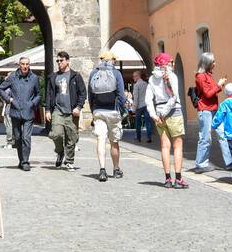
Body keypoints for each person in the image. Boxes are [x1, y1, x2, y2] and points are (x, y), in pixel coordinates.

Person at [145, 53, 188, 189]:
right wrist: (164, 112)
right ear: (165, 64)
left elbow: (148, 99)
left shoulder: (152, 79)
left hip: (159, 112)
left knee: (164, 147)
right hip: (173, 111)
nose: (172, 64)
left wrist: (154, 115)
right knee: (178, 146)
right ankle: (179, 179)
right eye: (170, 62)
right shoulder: (171, 76)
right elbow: (174, 96)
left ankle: (167, 178)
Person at [87, 49, 127, 180]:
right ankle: (116, 169)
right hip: (113, 111)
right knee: (114, 141)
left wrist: (93, 111)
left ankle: (102, 169)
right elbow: (121, 95)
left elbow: (90, 95)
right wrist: (121, 110)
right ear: (111, 60)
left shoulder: (94, 73)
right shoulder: (116, 73)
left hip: (98, 111)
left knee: (101, 139)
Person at [45, 50, 87, 171]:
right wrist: (47, 110)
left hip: (71, 111)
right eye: (57, 61)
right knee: (56, 134)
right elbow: (49, 94)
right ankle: (60, 152)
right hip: (57, 110)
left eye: (61, 60)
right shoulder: (53, 77)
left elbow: (83, 93)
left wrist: (78, 107)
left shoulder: (76, 76)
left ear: (67, 61)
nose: (59, 63)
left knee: (71, 137)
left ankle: (69, 161)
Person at [0, 55, 41, 170]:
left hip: (28, 112)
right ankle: (21, 160)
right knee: (17, 138)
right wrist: (9, 100)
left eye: (27, 64)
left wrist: (32, 103)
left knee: (26, 137)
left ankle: (26, 161)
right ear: (19, 65)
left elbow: (38, 94)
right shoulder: (12, 77)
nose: (25, 66)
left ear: (29, 65)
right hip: (15, 111)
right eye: (23, 64)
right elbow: (0, 89)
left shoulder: (34, 78)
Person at [193, 52, 231, 173]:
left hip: (214, 109)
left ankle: (230, 161)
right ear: (207, 63)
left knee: (222, 134)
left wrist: (219, 84)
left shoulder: (209, 75)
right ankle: (201, 164)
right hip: (205, 110)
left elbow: (212, 91)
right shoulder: (200, 76)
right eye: (213, 61)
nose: (215, 63)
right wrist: (219, 85)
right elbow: (208, 94)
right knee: (205, 138)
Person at [132, 70, 153, 143]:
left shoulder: (136, 85)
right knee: (148, 122)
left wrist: (134, 108)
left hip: (139, 106)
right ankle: (149, 137)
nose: (133, 78)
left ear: (138, 76)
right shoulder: (146, 84)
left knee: (138, 122)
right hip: (146, 105)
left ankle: (138, 138)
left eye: (134, 76)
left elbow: (136, 97)